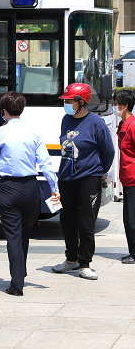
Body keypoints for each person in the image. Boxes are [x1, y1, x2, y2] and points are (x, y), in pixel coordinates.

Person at [0, 91, 60, 296]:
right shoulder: (34, 132)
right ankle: (21, 273)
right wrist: (54, 189)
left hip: (9, 188)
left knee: (13, 236)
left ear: (4, 111)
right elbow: (45, 162)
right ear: (22, 110)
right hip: (31, 187)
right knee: (25, 233)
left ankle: (16, 283)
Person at [52, 83, 114, 280]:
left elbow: (109, 151)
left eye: (70, 101)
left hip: (89, 178)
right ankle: (71, 259)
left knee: (86, 222)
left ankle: (85, 263)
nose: (67, 104)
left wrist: (100, 172)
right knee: (67, 220)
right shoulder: (65, 120)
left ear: (81, 102)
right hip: (66, 177)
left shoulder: (96, 123)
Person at [114, 89, 135, 264]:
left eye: (116, 104)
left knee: (132, 219)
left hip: (133, 179)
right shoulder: (123, 125)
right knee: (128, 219)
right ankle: (132, 251)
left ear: (125, 106)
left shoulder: (133, 126)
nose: (114, 107)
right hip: (127, 178)